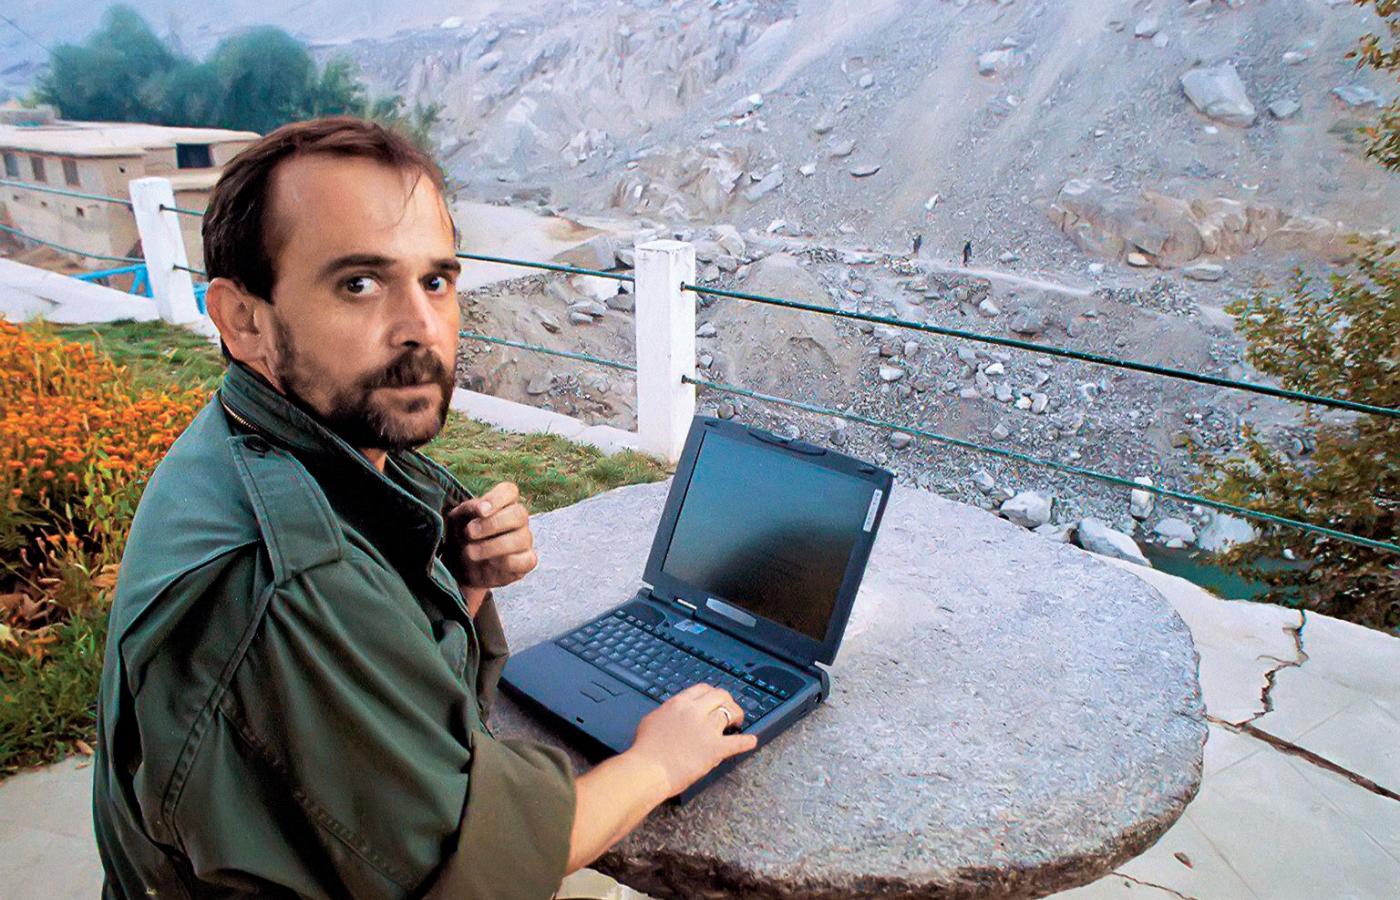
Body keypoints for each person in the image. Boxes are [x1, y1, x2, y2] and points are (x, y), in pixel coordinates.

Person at [92, 117, 757, 900]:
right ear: (244, 320)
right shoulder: (292, 580)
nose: (421, 329)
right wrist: (658, 762)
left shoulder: (251, 443)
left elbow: (360, 729)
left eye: (436, 281)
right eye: (359, 284)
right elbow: (472, 866)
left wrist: (460, 580)